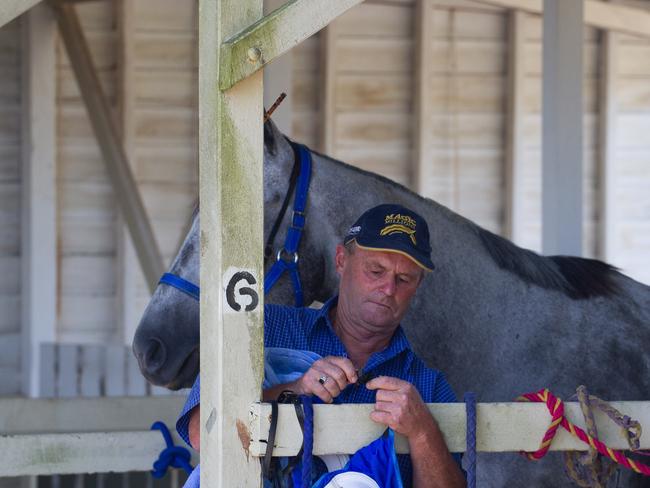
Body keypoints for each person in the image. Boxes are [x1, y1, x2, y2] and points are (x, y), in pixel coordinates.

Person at [177, 203, 466, 488]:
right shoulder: (265, 329)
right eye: (376, 271)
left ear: (418, 285)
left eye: (404, 279)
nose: (388, 289)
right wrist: (294, 389)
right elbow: (203, 432)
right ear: (341, 260)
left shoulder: (429, 387)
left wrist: (422, 432)